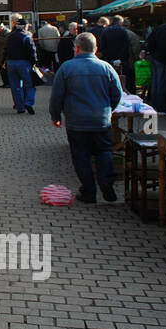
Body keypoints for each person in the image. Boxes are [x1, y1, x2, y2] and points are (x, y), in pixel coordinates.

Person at [49, 31, 123, 203]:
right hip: (101, 120)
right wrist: (108, 109)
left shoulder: (66, 68)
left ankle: (89, 191)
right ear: (95, 48)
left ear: (76, 48)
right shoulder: (106, 68)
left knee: (81, 156)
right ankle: (106, 182)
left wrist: (55, 116)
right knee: (104, 152)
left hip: (77, 121)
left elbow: (56, 96)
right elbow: (117, 94)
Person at [4, 15, 38, 115]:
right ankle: (28, 102)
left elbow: (6, 50)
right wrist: (34, 62)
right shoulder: (26, 37)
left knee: (15, 86)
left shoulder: (9, 36)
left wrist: (5, 62)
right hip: (24, 63)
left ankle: (20, 107)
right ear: (24, 26)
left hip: (11, 63)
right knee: (30, 84)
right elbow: (32, 51)